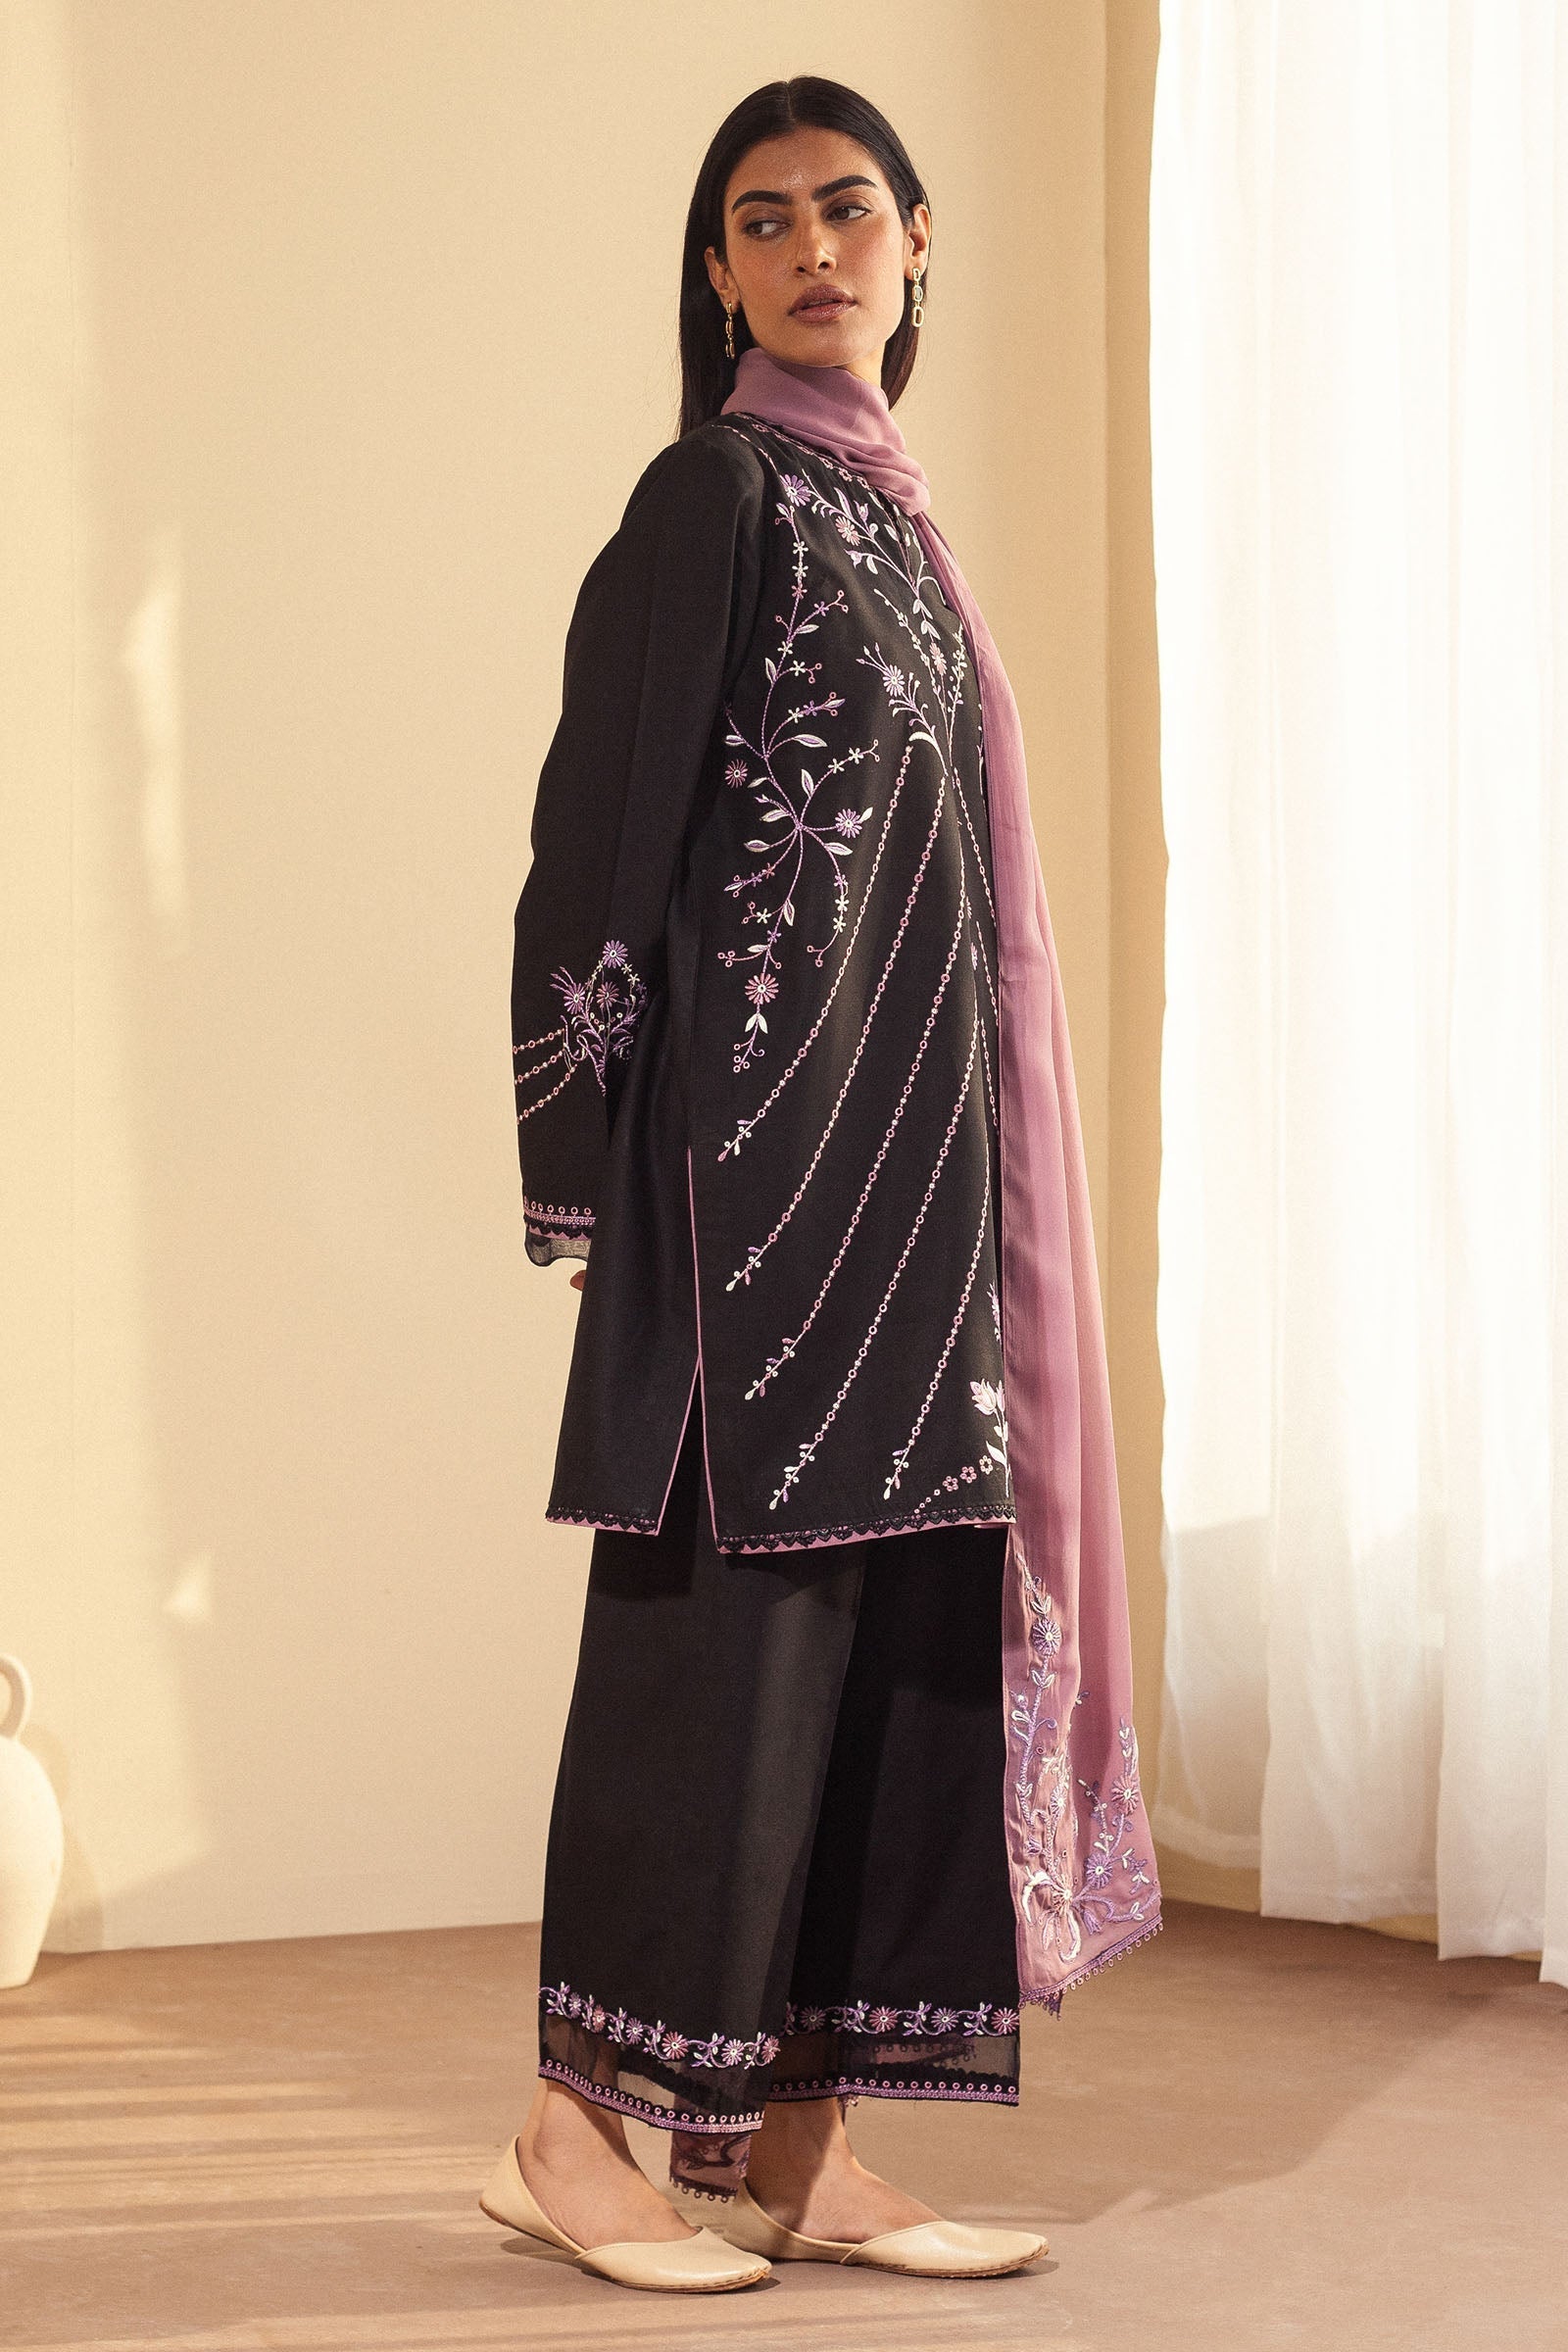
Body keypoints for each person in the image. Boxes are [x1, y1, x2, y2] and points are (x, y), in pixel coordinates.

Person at [479, 74, 1161, 2296]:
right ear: (716, 274)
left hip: (923, 1222)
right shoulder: (719, 496)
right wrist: (597, 1180)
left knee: (890, 1683)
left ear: (916, 240)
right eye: (761, 221)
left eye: (847, 209)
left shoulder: (897, 527)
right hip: (755, 1232)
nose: (810, 250)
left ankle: (798, 2148)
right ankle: (571, 2141)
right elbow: (596, 834)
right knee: (717, 1681)